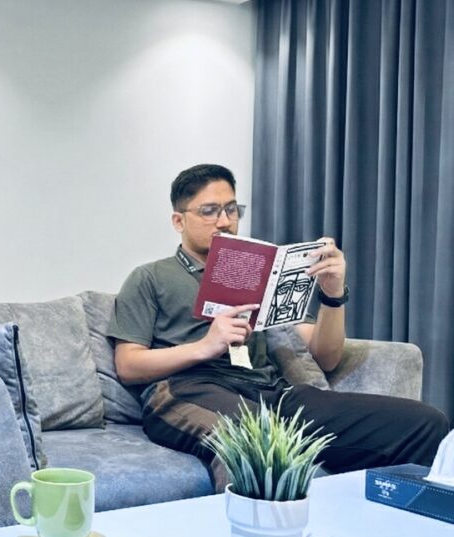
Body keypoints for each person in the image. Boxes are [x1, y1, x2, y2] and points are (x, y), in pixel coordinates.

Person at [108, 163, 449, 489]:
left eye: (231, 209)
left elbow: (327, 357)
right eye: (209, 211)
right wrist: (204, 347)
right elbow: (128, 365)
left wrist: (332, 295)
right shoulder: (151, 277)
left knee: (423, 424)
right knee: (261, 441)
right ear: (178, 220)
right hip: (187, 389)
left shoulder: (258, 273)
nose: (224, 222)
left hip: (272, 393)